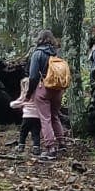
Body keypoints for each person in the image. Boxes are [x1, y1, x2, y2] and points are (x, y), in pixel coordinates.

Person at [27, 27, 69, 160]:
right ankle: (62, 143)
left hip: (43, 89)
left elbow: (33, 76)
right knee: (55, 116)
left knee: (45, 119)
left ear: (39, 39)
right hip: (57, 90)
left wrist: (29, 93)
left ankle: (51, 147)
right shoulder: (56, 54)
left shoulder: (37, 54)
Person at [9, 76, 42, 157]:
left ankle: (21, 146)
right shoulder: (38, 94)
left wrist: (22, 103)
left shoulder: (24, 96)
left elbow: (12, 105)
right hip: (37, 117)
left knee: (23, 132)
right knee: (36, 133)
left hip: (27, 117)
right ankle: (36, 148)